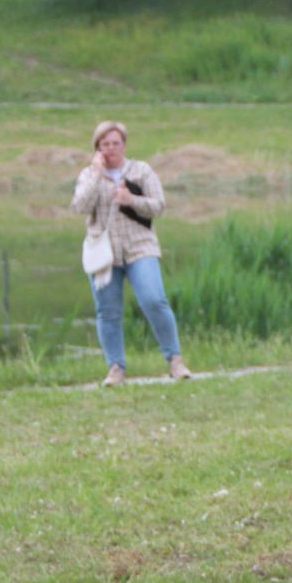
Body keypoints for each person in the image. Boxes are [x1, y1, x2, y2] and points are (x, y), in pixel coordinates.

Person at [70, 120, 191, 386]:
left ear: (124, 146)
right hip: (104, 253)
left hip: (140, 247)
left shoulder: (141, 171)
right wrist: (97, 174)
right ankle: (116, 368)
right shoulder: (88, 175)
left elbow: (158, 206)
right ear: (97, 149)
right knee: (108, 311)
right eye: (105, 145)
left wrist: (132, 200)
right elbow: (79, 206)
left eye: (115, 143)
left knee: (154, 300)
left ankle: (175, 360)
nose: (111, 149)